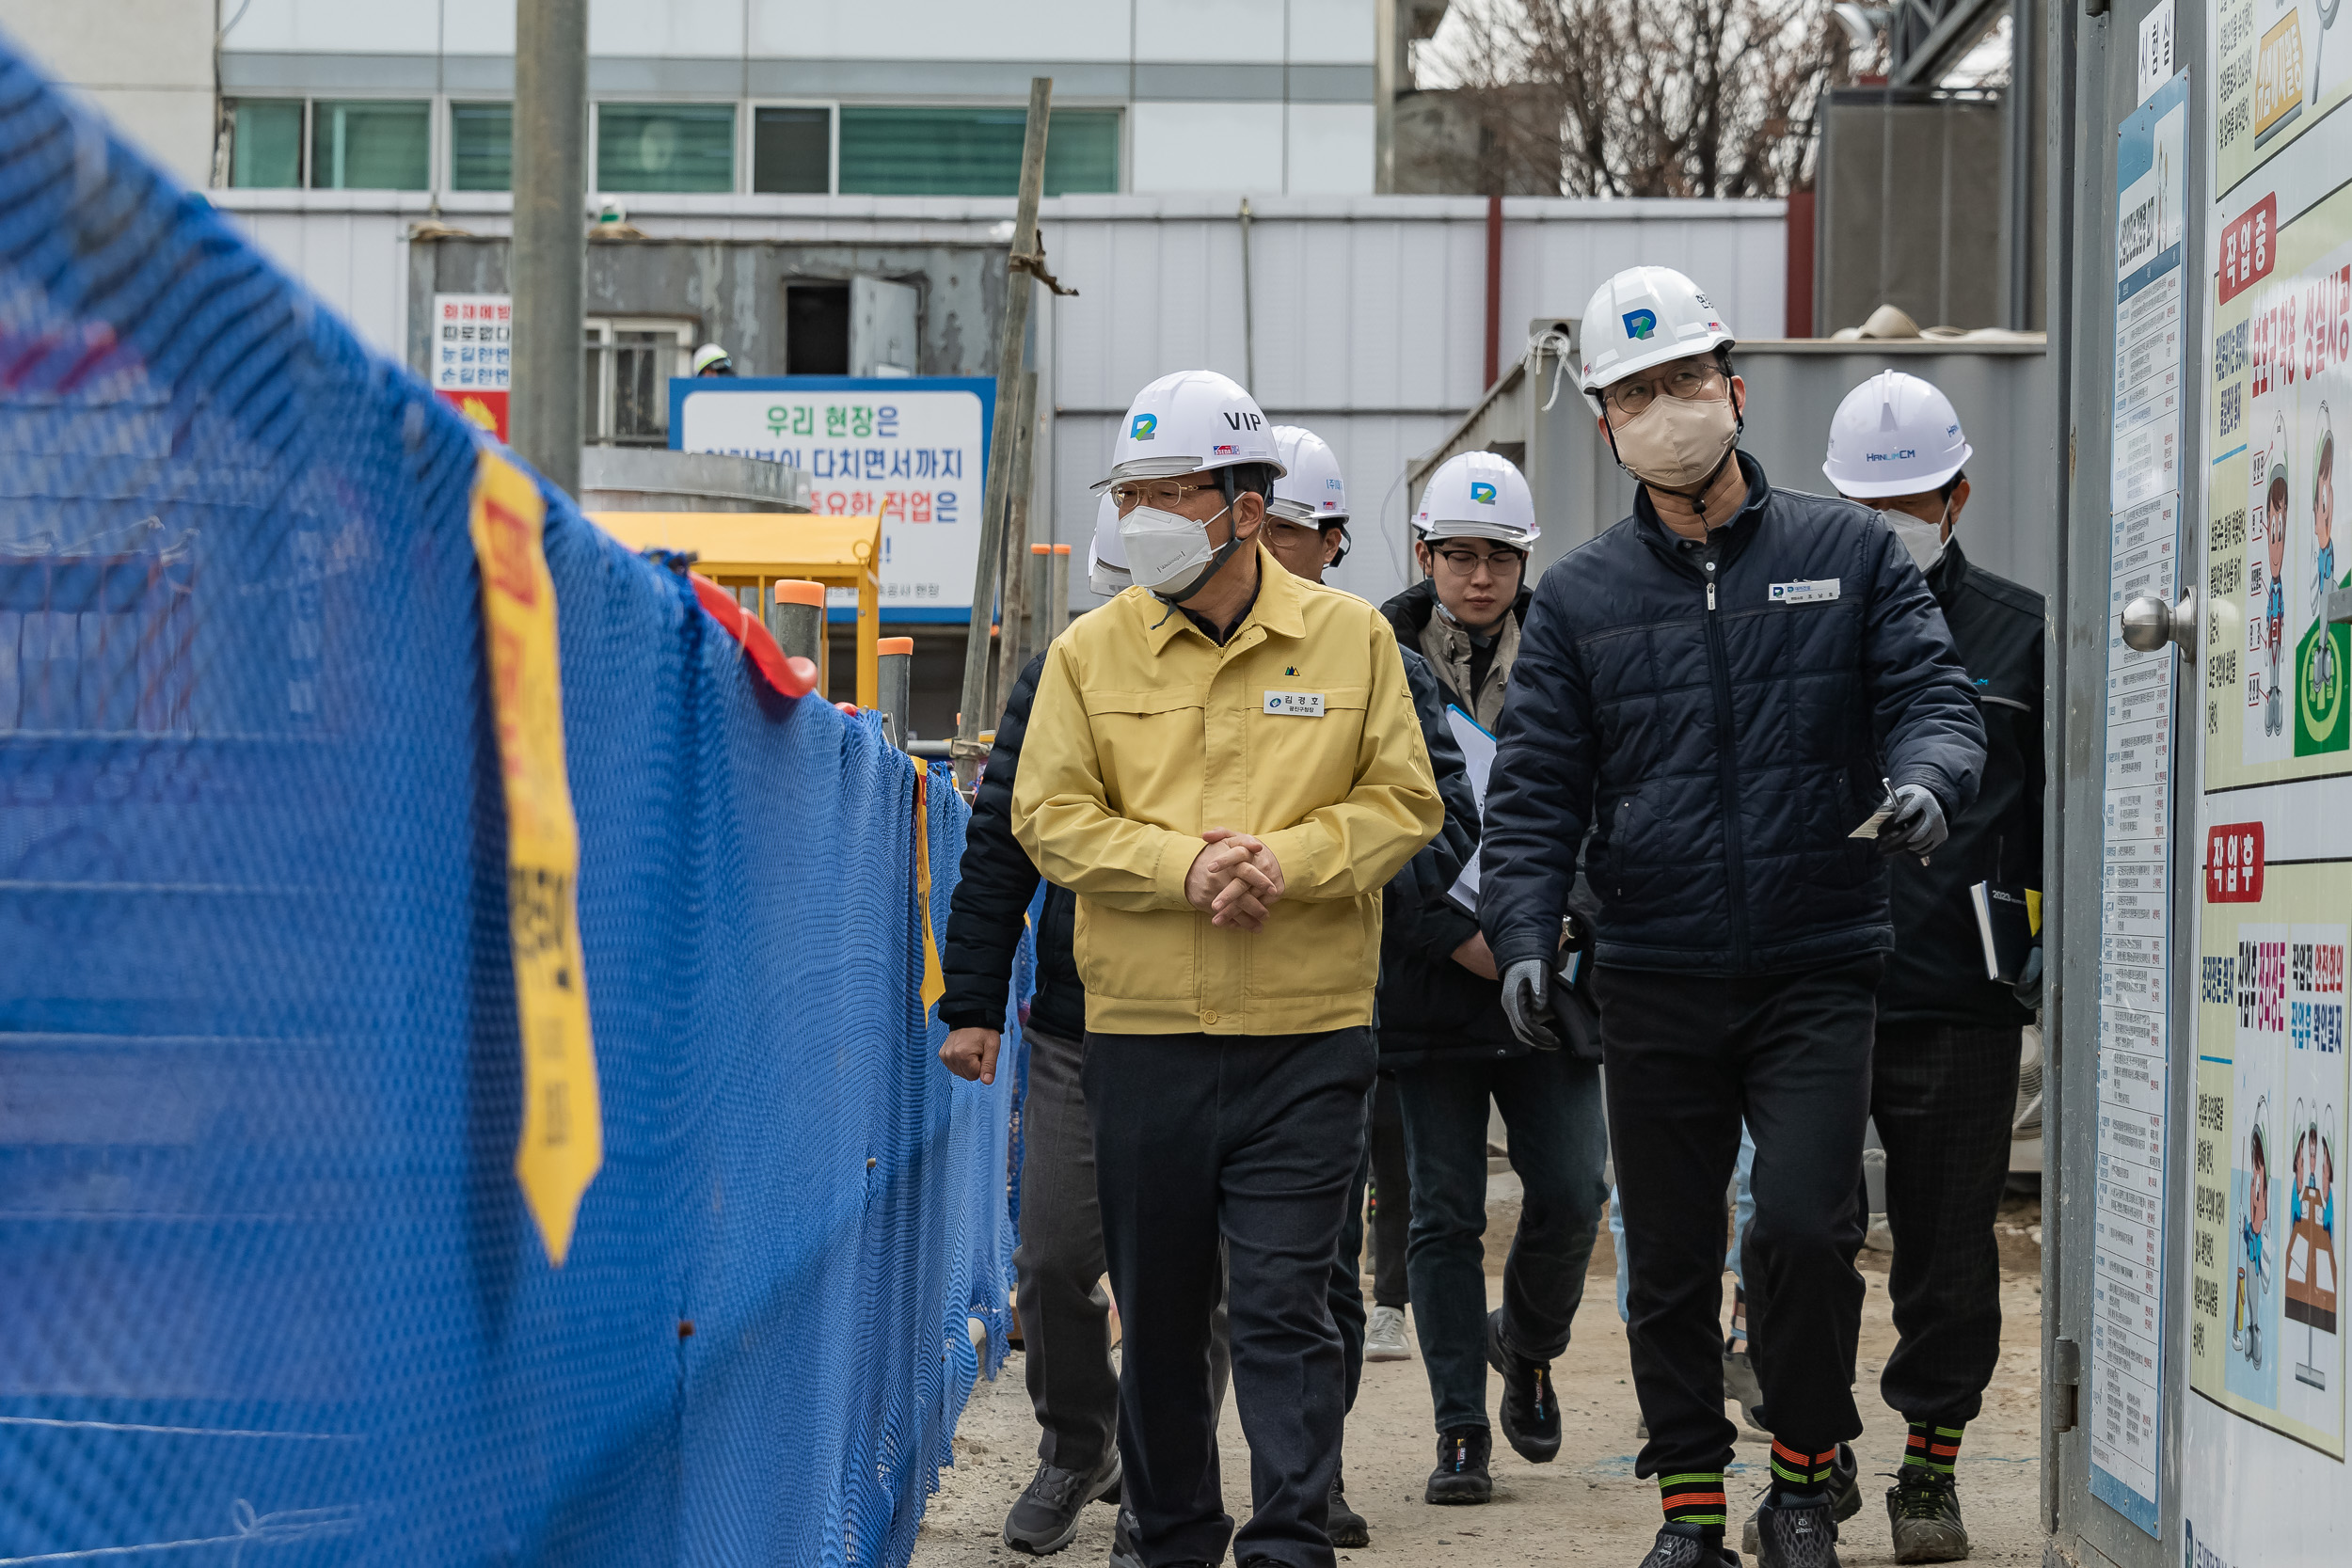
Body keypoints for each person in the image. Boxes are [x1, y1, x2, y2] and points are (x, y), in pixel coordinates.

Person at [1478, 265, 1986, 1568]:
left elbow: (1935, 699)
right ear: (1605, 419)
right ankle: (1692, 1505)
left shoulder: (1851, 550)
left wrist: (1927, 780)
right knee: (1666, 1254)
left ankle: (1806, 1477)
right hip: (1653, 969)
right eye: (1636, 391)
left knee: (1805, 1229)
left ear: (1735, 388)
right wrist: (1528, 935)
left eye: (1687, 380)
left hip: (1819, 960)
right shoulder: (1584, 600)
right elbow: (1534, 792)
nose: (1668, 408)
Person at [1011, 370, 1444, 1568]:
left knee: (1283, 1303)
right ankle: (1175, 1540)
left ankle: (1290, 1539)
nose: (1141, 514)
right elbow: (1047, 815)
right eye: (1130, 493)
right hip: (1142, 1034)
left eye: (1169, 492)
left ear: (1247, 509)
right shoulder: (1087, 654)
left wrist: (1291, 861)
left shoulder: (1352, 638)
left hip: (1305, 1032)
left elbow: (1407, 800)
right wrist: (1180, 869)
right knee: (1154, 1313)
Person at [938, 495, 1234, 1560]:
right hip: (1078, 1018)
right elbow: (1001, 847)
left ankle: (1165, 1485)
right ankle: (1076, 1444)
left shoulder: (1245, 667)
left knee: (1187, 1271)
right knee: (1055, 1256)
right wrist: (972, 1002)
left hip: (1209, 1019)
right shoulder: (1062, 671)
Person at [1789, 370, 2042, 1564]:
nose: (1892, 517)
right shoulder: (1785, 619)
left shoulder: (2020, 629)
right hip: (1814, 983)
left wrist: (2042, 960)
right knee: (1804, 1234)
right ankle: (1813, 1452)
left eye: (1915, 495)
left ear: (1959, 493)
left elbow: (2050, 817)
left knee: (1946, 1247)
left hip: (1958, 991)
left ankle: (1929, 1471)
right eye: (1867, 498)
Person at [1376, 450, 1610, 1506]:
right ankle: (1459, 1428)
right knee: (1441, 1211)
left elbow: (1607, 804)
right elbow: (1368, 817)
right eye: (1459, 555)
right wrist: (1448, 934)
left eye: (1499, 557)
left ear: (1526, 560)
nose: (1478, 577)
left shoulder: (1571, 650)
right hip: (1429, 980)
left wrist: (1564, 925)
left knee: (1571, 1188)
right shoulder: (1370, 654)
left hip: (1546, 971)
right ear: (1424, 553)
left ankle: (1529, 1342)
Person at [1260, 423, 1476, 1547]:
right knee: (1258, 1268)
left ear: (1331, 539)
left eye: (1295, 530)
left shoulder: (1369, 655)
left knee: (1325, 1252)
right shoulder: (1179, 644)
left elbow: (1430, 803)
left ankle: (1315, 1469)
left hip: (1347, 997)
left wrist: (1430, 920)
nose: (1273, 548)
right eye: (1267, 524)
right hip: (1200, 1001)